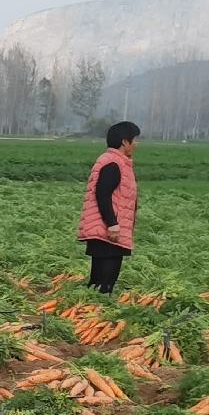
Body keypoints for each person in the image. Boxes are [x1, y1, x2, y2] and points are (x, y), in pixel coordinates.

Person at [75, 121, 140, 294]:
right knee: (105, 284)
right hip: (108, 231)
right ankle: (96, 311)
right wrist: (112, 223)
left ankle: (91, 309)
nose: (137, 144)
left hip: (105, 230)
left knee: (97, 284)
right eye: (135, 140)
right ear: (125, 142)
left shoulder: (114, 161)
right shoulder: (113, 164)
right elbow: (102, 194)